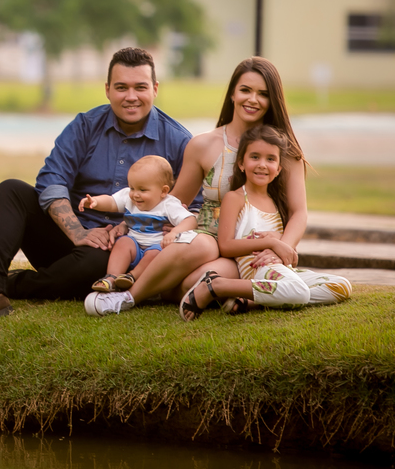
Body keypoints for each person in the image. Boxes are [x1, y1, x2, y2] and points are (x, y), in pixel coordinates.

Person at [0, 47, 210, 329]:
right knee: (11, 190)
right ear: (107, 89)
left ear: (155, 89)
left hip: (127, 254)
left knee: (96, 264)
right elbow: (51, 179)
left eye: (140, 87)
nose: (131, 96)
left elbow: (196, 206)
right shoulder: (85, 125)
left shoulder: (179, 141)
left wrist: (171, 227)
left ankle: (2, 284)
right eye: (121, 87)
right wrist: (78, 232)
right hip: (66, 237)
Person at [83, 56, 305, 316]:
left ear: (273, 99)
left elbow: (299, 212)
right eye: (245, 90)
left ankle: (133, 295)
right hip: (208, 243)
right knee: (197, 256)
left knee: (190, 284)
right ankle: (126, 298)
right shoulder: (203, 145)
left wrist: (281, 249)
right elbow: (173, 201)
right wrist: (131, 221)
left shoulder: (284, 152)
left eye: (263, 94)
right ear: (233, 93)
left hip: (254, 250)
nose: (252, 99)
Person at [179, 125, 352, 319]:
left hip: (281, 270)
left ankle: (251, 301)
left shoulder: (276, 202)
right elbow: (225, 246)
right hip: (257, 270)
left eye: (270, 159)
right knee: (299, 292)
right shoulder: (235, 198)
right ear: (241, 163)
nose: (262, 164)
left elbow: (286, 250)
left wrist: (282, 245)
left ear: (278, 169)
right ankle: (216, 285)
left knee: (341, 286)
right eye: (255, 157)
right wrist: (271, 242)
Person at [78, 155, 201, 293]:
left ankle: (131, 277)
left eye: (142, 190)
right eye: (132, 188)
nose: (135, 194)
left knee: (156, 255)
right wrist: (95, 202)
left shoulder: (169, 204)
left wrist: (174, 232)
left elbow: (190, 220)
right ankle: (111, 278)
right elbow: (111, 202)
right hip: (134, 245)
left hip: (156, 247)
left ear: (163, 191)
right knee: (123, 242)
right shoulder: (129, 198)